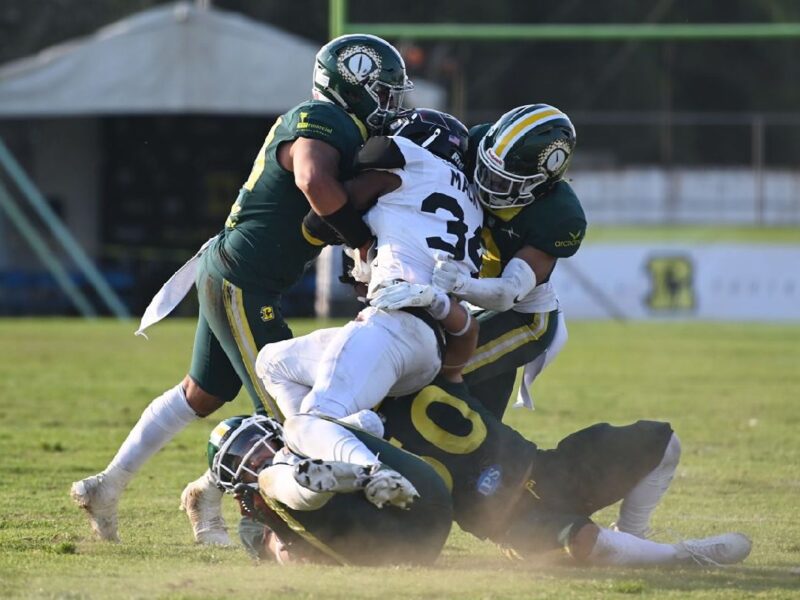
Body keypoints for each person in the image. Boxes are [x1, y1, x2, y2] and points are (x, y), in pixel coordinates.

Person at [71, 33, 414, 543]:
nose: (391, 102)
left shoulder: (344, 126)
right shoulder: (324, 119)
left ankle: (112, 485)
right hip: (242, 280)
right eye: (384, 91)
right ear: (352, 87)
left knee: (203, 393)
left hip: (240, 274)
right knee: (287, 411)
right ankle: (249, 520)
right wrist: (361, 239)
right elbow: (314, 182)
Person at [242, 328, 752, 567]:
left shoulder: (418, 364)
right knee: (585, 544)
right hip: (501, 519)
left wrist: (446, 304)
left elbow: (461, 352)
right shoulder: (347, 433)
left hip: (547, 466)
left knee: (663, 442)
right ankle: (680, 557)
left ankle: (639, 535)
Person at [267, 108, 483, 509]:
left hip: (391, 327)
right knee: (273, 362)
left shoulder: (410, 160)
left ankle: (370, 470)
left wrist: (361, 236)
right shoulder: (470, 205)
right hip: (428, 348)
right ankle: (339, 439)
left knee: (306, 425)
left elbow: (320, 221)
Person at [434, 104, 587, 419]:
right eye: (486, 171)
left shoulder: (559, 215)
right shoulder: (478, 145)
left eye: (504, 182)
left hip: (522, 317)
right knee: (482, 414)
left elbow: (507, 293)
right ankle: (492, 464)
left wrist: (458, 284)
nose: (487, 184)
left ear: (541, 183)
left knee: (433, 377)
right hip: (474, 304)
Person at [204, 414, 453, 565]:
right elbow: (296, 561)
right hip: (388, 550)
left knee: (297, 423)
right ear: (233, 481)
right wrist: (276, 523)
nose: (255, 460)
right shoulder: (252, 521)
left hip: (424, 499)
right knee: (270, 480)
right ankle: (312, 481)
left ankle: (372, 473)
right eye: (243, 465)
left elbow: (371, 422)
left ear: (270, 435)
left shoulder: (302, 438)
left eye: (255, 447)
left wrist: (336, 429)